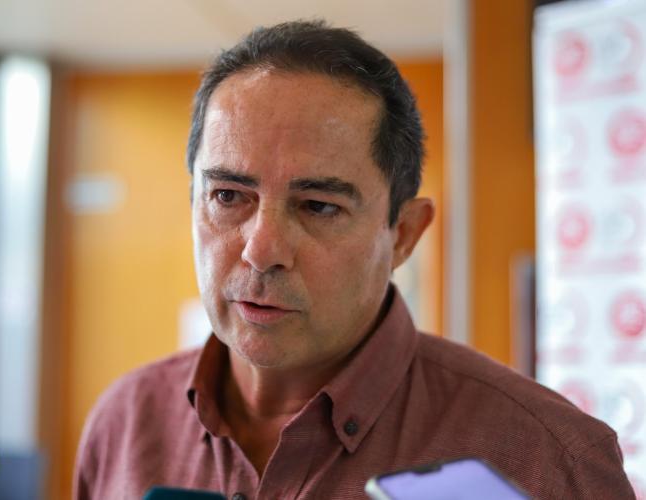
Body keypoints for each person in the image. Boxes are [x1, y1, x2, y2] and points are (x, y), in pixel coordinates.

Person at [74, 20, 635, 499]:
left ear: (404, 235)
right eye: (227, 196)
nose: (261, 250)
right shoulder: (126, 423)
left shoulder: (549, 460)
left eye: (318, 205)